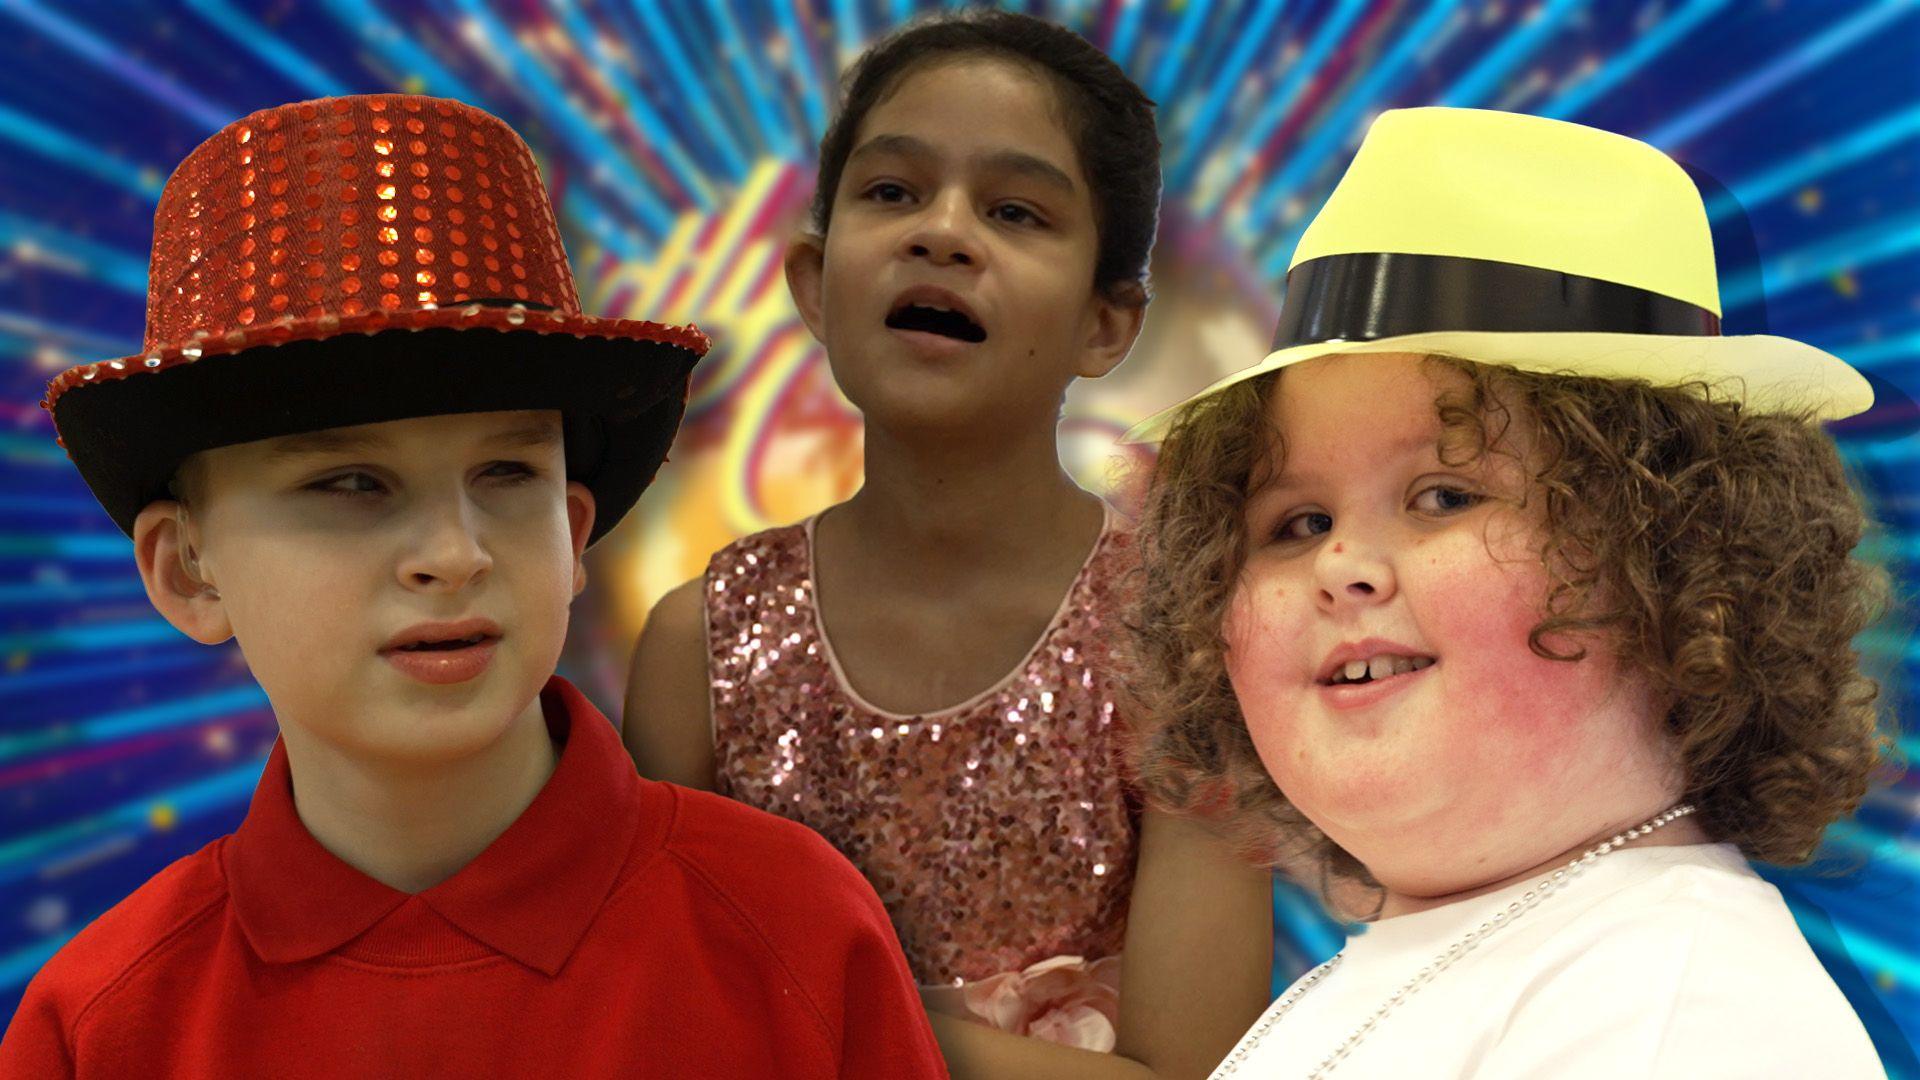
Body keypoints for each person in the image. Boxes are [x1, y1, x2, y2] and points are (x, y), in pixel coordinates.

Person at [0, 93, 947, 1079]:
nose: (454, 553)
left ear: (573, 532)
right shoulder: (104, 1024)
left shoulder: (795, 931)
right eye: (351, 484)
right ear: (186, 570)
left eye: (507, 474)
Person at [1127, 106, 1890, 1078]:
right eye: (1297, 523)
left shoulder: (1676, 1007)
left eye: (1444, 495)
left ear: (1683, 566)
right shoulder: (1426, 964)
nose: (1340, 564)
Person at [625, 11, 1272, 1078]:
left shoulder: (1183, 646)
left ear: (1107, 326)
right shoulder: (698, 644)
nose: (943, 231)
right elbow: (651, 1009)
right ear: (810, 281)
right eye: (892, 192)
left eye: (1016, 211)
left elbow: (1192, 1073)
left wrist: (821, 1015)